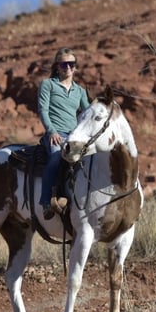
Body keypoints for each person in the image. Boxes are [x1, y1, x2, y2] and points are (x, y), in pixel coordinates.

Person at [37, 48, 90, 220]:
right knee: (55, 158)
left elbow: (87, 113)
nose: (67, 67)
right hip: (56, 134)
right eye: (64, 64)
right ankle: (46, 202)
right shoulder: (48, 85)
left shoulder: (80, 91)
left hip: (75, 136)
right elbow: (43, 110)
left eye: (71, 64)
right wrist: (51, 131)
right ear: (57, 67)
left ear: (75, 68)